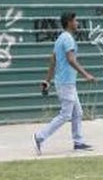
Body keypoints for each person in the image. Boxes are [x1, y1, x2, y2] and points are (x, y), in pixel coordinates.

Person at [33, 11, 97, 154]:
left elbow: (53, 60)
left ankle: (78, 142)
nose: (78, 23)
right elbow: (70, 59)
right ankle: (39, 136)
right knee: (66, 114)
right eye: (76, 20)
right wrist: (86, 75)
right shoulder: (67, 39)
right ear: (69, 22)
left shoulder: (60, 38)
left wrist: (47, 80)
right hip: (66, 82)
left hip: (65, 82)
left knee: (77, 112)